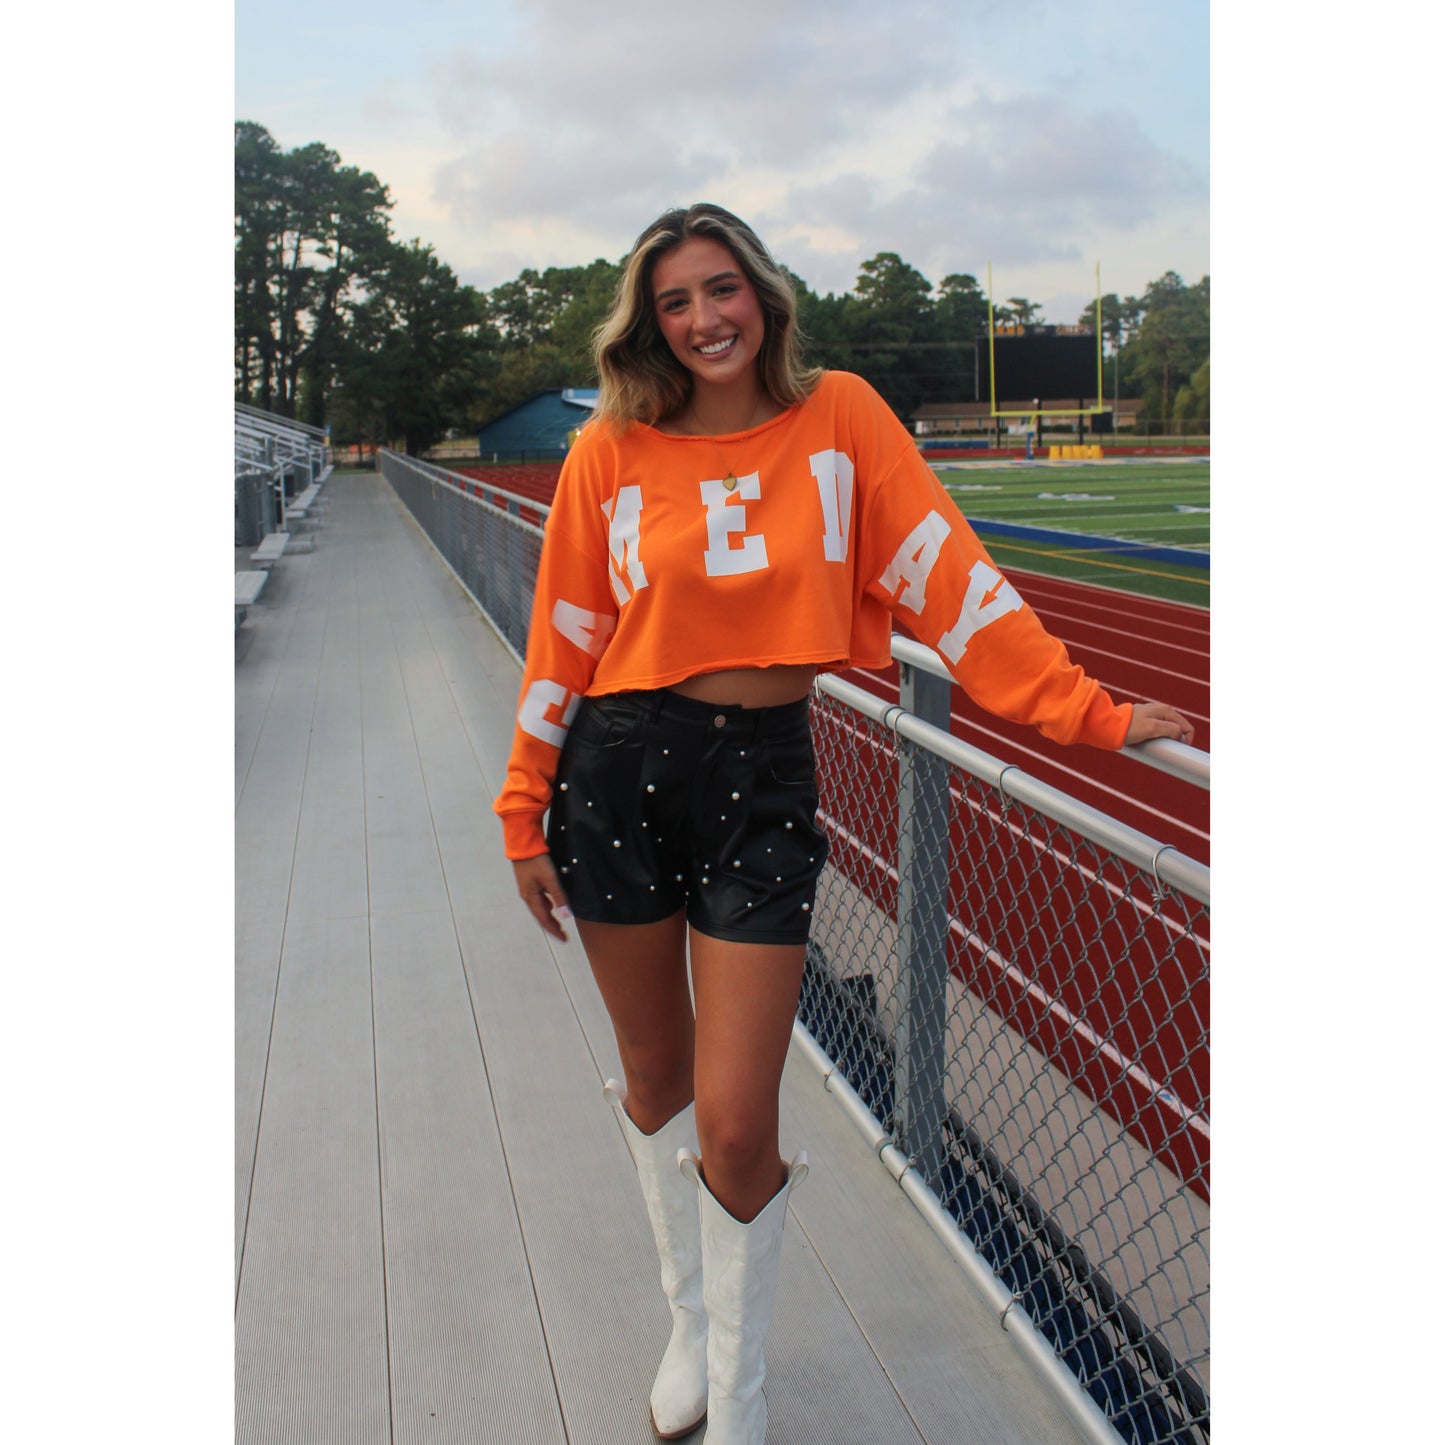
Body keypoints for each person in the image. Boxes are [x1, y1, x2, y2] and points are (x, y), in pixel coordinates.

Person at [494, 203, 1194, 1444]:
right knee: (656, 1076)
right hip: (614, 775)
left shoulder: (843, 418)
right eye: (673, 302)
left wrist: (1084, 711)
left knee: (738, 1113)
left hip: (763, 778)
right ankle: (687, 1322)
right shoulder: (611, 447)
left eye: (721, 289)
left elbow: (951, 576)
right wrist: (521, 804)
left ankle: (743, 1395)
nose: (703, 318)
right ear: (647, 323)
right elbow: (567, 629)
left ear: (761, 293)